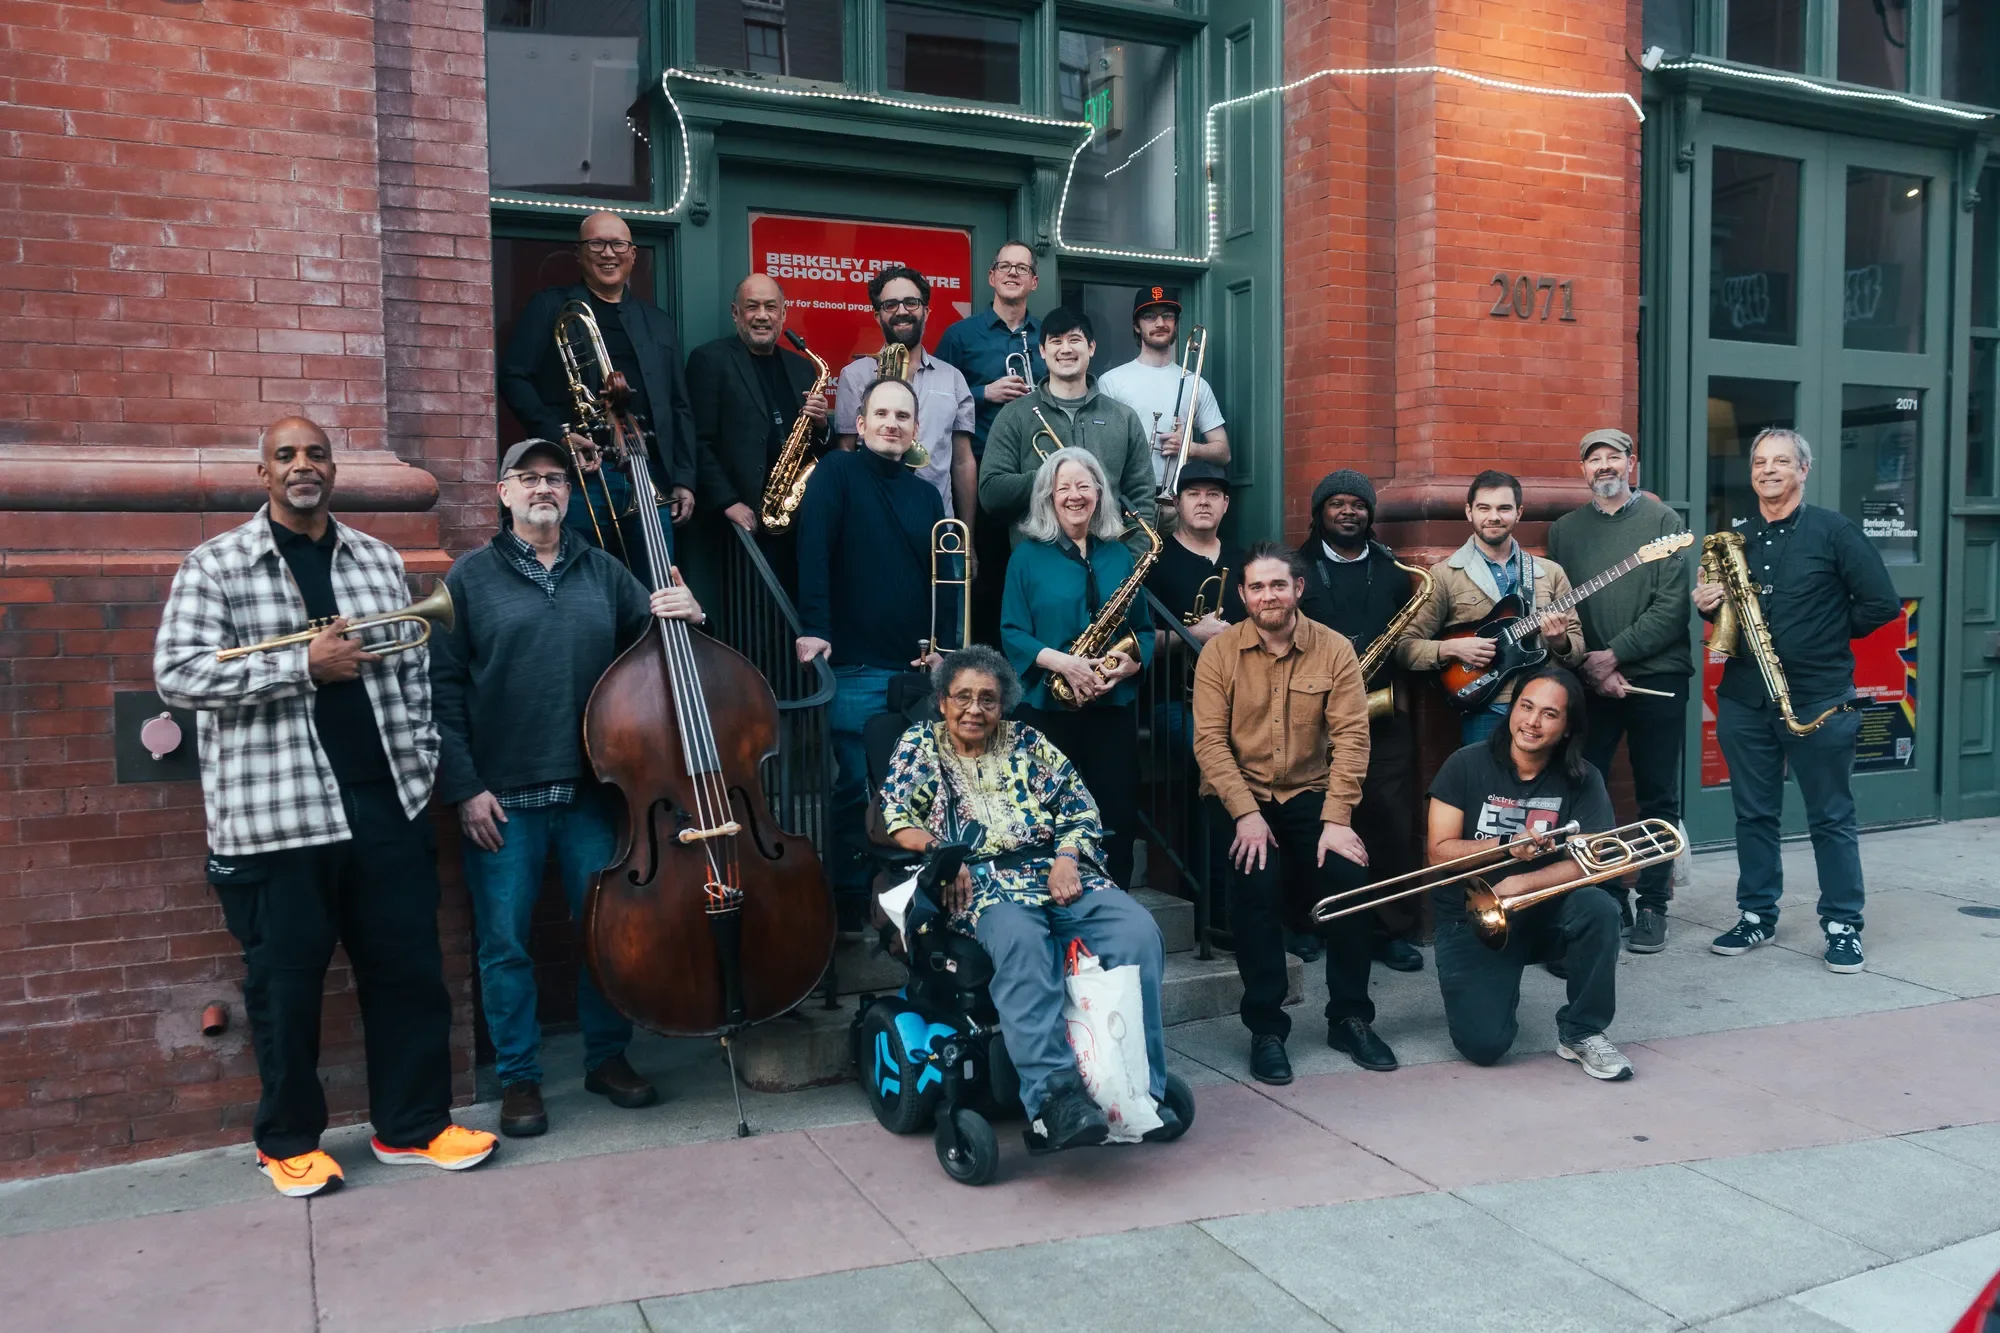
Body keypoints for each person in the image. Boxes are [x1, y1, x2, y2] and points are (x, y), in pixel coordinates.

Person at [153, 416, 496, 1198]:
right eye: (286, 455)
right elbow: (179, 674)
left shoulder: (376, 560)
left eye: (315, 454)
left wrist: (422, 762)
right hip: (280, 820)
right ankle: (287, 1143)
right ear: (263, 473)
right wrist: (300, 665)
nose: (303, 466)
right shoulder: (216, 566)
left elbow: (412, 672)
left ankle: (413, 1126)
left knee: (409, 975)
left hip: (384, 806)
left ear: (334, 470)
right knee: (286, 990)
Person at [430, 438, 707, 1139]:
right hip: (503, 800)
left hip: (593, 792)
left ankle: (606, 1058)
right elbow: (441, 691)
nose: (544, 488)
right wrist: (463, 787)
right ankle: (520, 1078)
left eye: (555, 477)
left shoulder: (602, 570)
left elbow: (656, 649)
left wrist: (686, 614)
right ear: (503, 493)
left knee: (607, 937)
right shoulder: (468, 579)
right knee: (506, 945)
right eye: (529, 478)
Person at [879, 647, 1173, 1150]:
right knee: (1023, 944)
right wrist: (944, 855)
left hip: (1057, 870)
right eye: (963, 698)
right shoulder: (919, 746)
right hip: (979, 880)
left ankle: (1134, 1085)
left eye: (988, 700)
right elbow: (897, 815)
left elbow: (1080, 807)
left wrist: (1066, 856)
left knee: (1137, 932)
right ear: (943, 701)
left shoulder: (1030, 742)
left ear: (1004, 705)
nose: (975, 709)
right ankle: (1053, 1099)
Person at [1693, 428, 1900, 974]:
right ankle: (1756, 914)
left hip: (1819, 697)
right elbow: (1724, 620)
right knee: (1753, 813)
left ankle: (1843, 925)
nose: (1768, 470)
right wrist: (1706, 604)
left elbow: (1881, 603)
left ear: (1803, 470)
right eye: (1760, 462)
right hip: (1744, 697)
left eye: (1781, 461)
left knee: (1831, 816)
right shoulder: (1735, 537)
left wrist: (1825, 633)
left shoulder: (1835, 532)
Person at [1191, 543, 1394, 1085]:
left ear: (1298, 589)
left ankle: (1348, 1017)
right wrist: (1244, 814)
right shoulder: (1220, 653)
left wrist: (1337, 818)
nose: (1267, 596)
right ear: (1242, 595)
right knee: (1255, 890)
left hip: (1311, 793)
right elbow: (1210, 743)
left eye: (1278, 585)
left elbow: (1353, 736)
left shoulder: (1333, 650)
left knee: (1350, 884)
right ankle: (1267, 1029)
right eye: (1256, 587)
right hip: (1242, 794)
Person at [1426, 668, 1633, 1081]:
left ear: (1568, 726)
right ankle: (1497, 986)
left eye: (1549, 714)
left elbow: (1592, 860)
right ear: (1512, 709)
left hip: (1546, 910)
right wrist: (1503, 847)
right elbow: (1439, 853)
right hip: (1473, 916)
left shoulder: (1584, 777)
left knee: (1600, 908)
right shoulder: (1465, 764)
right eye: (1526, 707)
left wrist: (1520, 883)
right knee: (1483, 1046)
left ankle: (1582, 1030)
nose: (1532, 723)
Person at [798, 377, 945, 931]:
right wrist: (814, 627)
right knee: (853, 785)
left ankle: (910, 903)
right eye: (880, 413)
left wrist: (943, 651)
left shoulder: (926, 493)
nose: (891, 423)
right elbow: (813, 551)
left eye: (902, 416)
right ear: (859, 424)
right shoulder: (836, 471)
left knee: (914, 788)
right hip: (855, 663)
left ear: (915, 429)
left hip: (915, 669)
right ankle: (847, 902)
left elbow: (941, 581)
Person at [1545, 428, 1694, 953]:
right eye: (1594, 460)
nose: (1604, 467)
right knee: (1589, 790)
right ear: (1583, 470)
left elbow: (1672, 607)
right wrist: (1593, 665)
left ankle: (1654, 903)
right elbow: (1564, 606)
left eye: (1614, 458)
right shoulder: (1565, 531)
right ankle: (1608, 894)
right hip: (1589, 678)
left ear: (1633, 463)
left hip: (1659, 676)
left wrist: (1616, 655)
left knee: (1658, 794)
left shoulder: (1663, 522)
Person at [496, 211, 697, 575]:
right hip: (579, 476)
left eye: (618, 244)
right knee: (580, 579)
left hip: (647, 474)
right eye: (597, 244)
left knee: (657, 586)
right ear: (579, 254)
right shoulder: (549, 306)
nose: (609, 253)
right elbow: (513, 378)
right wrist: (559, 435)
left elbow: (679, 405)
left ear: (633, 254)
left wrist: (683, 477)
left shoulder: (658, 322)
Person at [1000, 447, 1155, 889]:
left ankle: (1114, 903)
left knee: (1117, 815)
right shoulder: (1026, 557)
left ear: (1099, 493)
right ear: (1048, 496)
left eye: (1084, 485)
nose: (1074, 495)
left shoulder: (1119, 556)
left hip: (1111, 708)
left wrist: (1130, 663)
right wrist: (1065, 664)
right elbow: (1011, 631)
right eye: (1063, 486)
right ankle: (1053, 905)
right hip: (1047, 708)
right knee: (1046, 813)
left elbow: (1143, 629)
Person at [1296, 469, 1426, 975]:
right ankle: (1314, 922)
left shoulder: (1394, 571)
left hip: (1380, 713)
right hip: (1311, 715)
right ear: (1319, 511)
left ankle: (1388, 929)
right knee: (1314, 821)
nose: (1348, 512)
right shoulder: (1298, 568)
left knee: (1390, 821)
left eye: (1358, 504)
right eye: (1337, 504)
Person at [1396, 469, 1585, 744]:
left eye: (1504, 508)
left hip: (1542, 708)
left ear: (1518, 513)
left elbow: (1577, 651)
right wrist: (1449, 648)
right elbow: (1404, 647)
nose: (1494, 516)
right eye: (1484, 508)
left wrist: (1560, 642)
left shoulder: (1550, 573)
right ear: (1469, 512)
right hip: (1484, 708)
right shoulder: (1445, 574)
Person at [685, 273, 829, 592]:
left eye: (770, 307)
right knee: (753, 615)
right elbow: (698, 439)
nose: (762, 316)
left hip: (796, 517)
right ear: (736, 313)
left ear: (783, 313)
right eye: (752, 307)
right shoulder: (709, 360)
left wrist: (821, 424)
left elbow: (815, 445)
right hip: (743, 518)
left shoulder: (802, 367)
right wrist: (728, 502)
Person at [935, 242, 1046, 645]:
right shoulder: (961, 335)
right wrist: (985, 393)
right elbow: (935, 397)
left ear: (1034, 280)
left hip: (1037, 474)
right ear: (991, 277)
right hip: (980, 471)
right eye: (1005, 266)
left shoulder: (1048, 336)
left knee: (1035, 577)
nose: (1013, 273)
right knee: (987, 580)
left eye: (1022, 268)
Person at [980, 306, 1156, 552]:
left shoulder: (1123, 417)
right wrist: (1051, 478)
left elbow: (1142, 497)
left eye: (1075, 340)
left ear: (1091, 347)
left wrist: (1131, 561)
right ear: (1042, 351)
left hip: (1109, 561)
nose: (1065, 349)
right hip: (1040, 561)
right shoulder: (1014, 415)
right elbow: (991, 494)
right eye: (1055, 341)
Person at [831, 266, 976, 526]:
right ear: (877, 316)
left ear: (926, 311)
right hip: (873, 525)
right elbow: (846, 452)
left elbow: (963, 461)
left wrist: (968, 538)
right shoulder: (854, 376)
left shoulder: (953, 379)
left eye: (911, 302)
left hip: (939, 530)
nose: (901, 311)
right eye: (890, 305)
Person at [1096, 285, 1229, 497]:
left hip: (1180, 498)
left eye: (1167, 316)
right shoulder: (1111, 381)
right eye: (1149, 317)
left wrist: (1189, 448)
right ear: (1136, 326)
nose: (1160, 323)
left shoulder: (1196, 383)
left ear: (1176, 324)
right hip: (1128, 497)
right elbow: (1099, 448)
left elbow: (1223, 452)